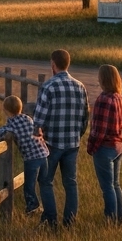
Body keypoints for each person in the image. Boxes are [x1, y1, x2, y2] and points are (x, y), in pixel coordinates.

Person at [33, 49, 89, 227]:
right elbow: (85, 117)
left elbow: (39, 119)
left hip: (52, 143)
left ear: (53, 64)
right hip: (72, 143)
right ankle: (69, 221)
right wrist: (77, 135)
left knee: (45, 180)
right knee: (70, 183)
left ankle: (50, 220)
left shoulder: (48, 87)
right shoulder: (80, 86)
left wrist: (37, 136)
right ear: (68, 63)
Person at [87, 64, 122, 224]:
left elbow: (99, 129)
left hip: (105, 147)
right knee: (115, 184)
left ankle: (110, 219)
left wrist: (91, 147)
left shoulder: (103, 99)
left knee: (107, 187)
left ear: (103, 79)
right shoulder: (120, 98)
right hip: (118, 145)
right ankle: (120, 217)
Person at [0, 95, 50, 217]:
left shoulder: (11, 124)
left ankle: (32, 208)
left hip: (31, 158)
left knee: (29, 186)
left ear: (6, 110)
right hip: (43, 154)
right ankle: (47, 207)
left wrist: (5, 133)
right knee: (44, 183)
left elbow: (1, 133)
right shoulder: (28, 118)